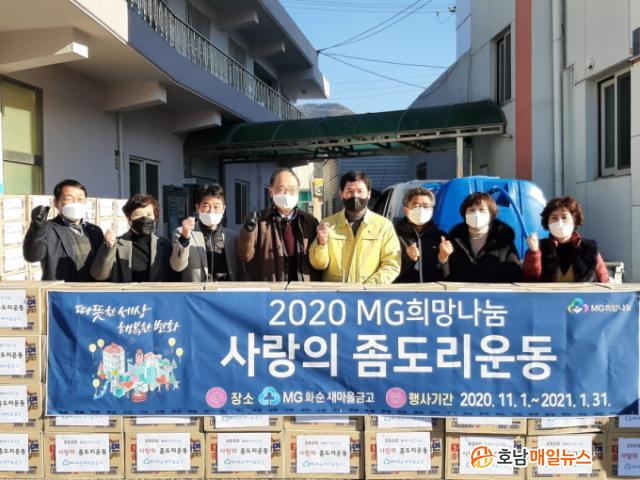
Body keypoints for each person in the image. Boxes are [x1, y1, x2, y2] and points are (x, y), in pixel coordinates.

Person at [309, 171, 401, 284]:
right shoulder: (328, 224)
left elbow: (391, 265)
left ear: (369, 194)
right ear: (341, 194)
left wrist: (368, 287)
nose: (355, 196)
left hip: (369, 293)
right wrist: (321, 244)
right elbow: (318, 265)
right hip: (335, 293)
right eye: (350, 191)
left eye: (360, 191)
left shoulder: (384, 226)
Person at [238, 168, 319, 281]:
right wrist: (248, 231)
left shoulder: (310, 222)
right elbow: (245, 256)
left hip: (302, 289)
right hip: (271, 288)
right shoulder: (259, 221)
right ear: (271, 191)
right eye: (281, 189)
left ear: (298, 192)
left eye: (292, 189)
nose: (287, 194)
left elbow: (318, 260)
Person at [23, 179, 104, 281]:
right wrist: (36, 228)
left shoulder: (94, 231)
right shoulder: (47, 229)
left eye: (80, 199)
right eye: (69, 198)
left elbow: (102, 264)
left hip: (91, 289)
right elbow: (32, 256)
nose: (76, 203)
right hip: (62, 290)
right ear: (56, 203)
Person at [439, 192, 522, 282]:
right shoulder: (453, 241)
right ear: (465, 214)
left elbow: (516, 276)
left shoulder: (504, 242)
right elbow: (445, 279)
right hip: (461, 291)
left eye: (482, 210)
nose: (476, 214)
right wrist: (443, 259)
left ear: (491, 214)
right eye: (471, 210)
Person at [90, 194, 174, 282]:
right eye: (138, 214)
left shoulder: (165, 245)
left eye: (149, 214)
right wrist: (108, 247)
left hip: (155, 291)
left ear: (155, 218)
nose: (144, 218)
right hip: (125, 291)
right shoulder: (115, 245)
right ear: (129, 219)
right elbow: (98, 275)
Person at [523, 196, 609, 282]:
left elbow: (604, 279)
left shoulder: (589, 248)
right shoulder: (540, 247)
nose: (559, 222)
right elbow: (531, 279)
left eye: (564, 217)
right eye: (554, 218)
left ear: (574, 220)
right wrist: (534, 252)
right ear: (547, 222)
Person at [170, 184, 241, 282]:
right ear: (197, 207)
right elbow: (177, 266)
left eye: (216, 206)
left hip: (225, 290)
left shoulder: (233, 237)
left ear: (224, 208)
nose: (211, 211)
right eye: (206, 206)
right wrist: (185, 238)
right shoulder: (182, 232)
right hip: (196, 291)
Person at [394, 187, 447, 283]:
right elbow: (389, 270)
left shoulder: (440, 237)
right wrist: (408, 259)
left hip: (433, 291)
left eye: (426, 206)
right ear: (406, 210)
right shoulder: (394, 235)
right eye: (416, 206)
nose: (421, 210)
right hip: (404, 291)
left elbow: (450, 275)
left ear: (432, 210)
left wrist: (443, 259)